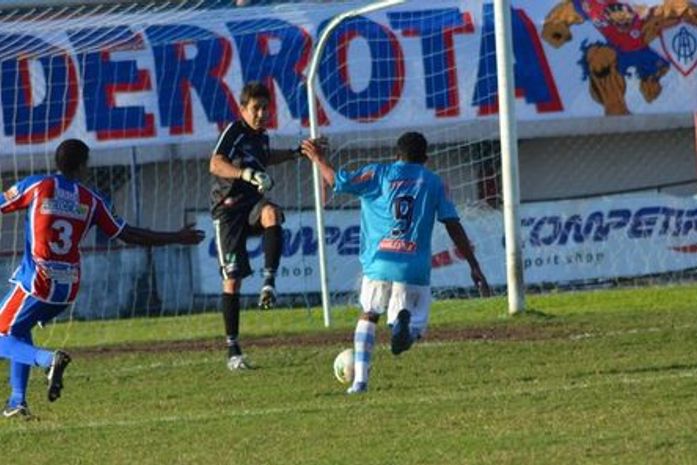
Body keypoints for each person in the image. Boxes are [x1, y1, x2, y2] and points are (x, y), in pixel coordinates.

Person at [0, 139, 205, 419]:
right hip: (67, 288)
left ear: (57, 161)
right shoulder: (92, 200)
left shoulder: (38, 186)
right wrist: (176, 237)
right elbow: (129, 234)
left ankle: (47, 360)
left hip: (37, 281)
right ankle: (17, 401)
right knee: (18, 328)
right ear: (83, 166)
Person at [301, 131, 491, 394]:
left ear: (396, 155)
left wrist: (318, 159)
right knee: (415, 328)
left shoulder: (378, 173)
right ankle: (404, 331)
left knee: (369, 314)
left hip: (380, 262)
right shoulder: (434, 182)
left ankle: (360, 382)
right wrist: (474, 265)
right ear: (425, 158)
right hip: (413, 267)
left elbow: (337, 181)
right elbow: (452, 224)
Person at [209, 81, 306, 370]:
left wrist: (295, 152)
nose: (262, 114)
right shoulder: (234, 131)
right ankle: (233, 350)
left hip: (251, 205)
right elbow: (215, 163)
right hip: (228, 211)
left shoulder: (262, 137)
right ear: (243, 109)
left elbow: (266, 157)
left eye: (265, 108)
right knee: (232, 280)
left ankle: (269, 283)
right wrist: (245, 174)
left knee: (272, 213)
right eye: (256, 108)